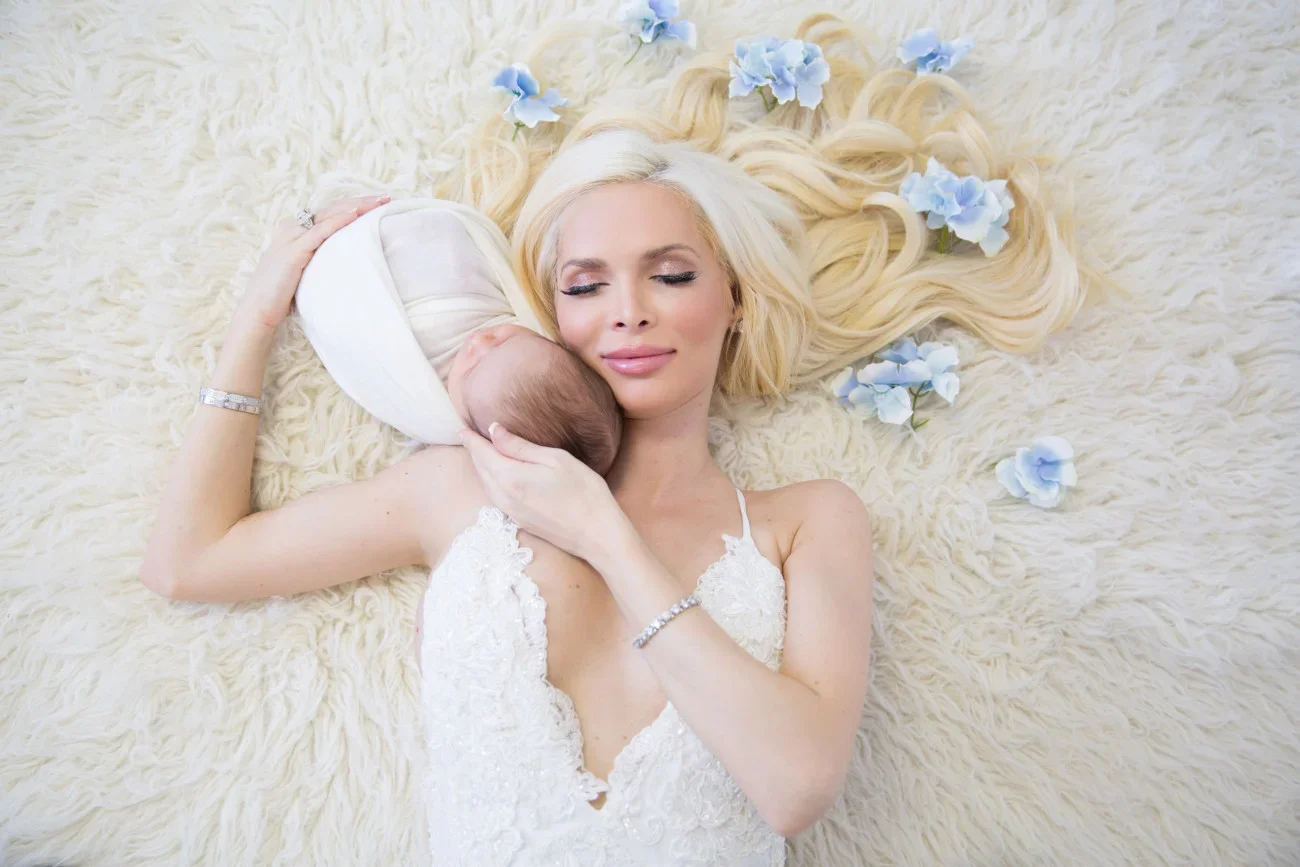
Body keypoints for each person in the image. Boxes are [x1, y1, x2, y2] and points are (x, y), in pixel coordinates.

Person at [141, 13, 1088, 864]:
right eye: (585, 286)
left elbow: (795, 788)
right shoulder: (457, 490)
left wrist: (602, 532)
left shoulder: (809, 526)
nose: (626, 315)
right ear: (550, 312)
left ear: (734, 303)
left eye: (670, 275)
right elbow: (189, 560)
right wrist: (258, 319)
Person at [292, 198, 624, 474]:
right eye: (506, 339)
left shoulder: (435, 416)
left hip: (368, 275)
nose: (481, 341)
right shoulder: (521, 332)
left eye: (473, 366)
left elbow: (369, 353)